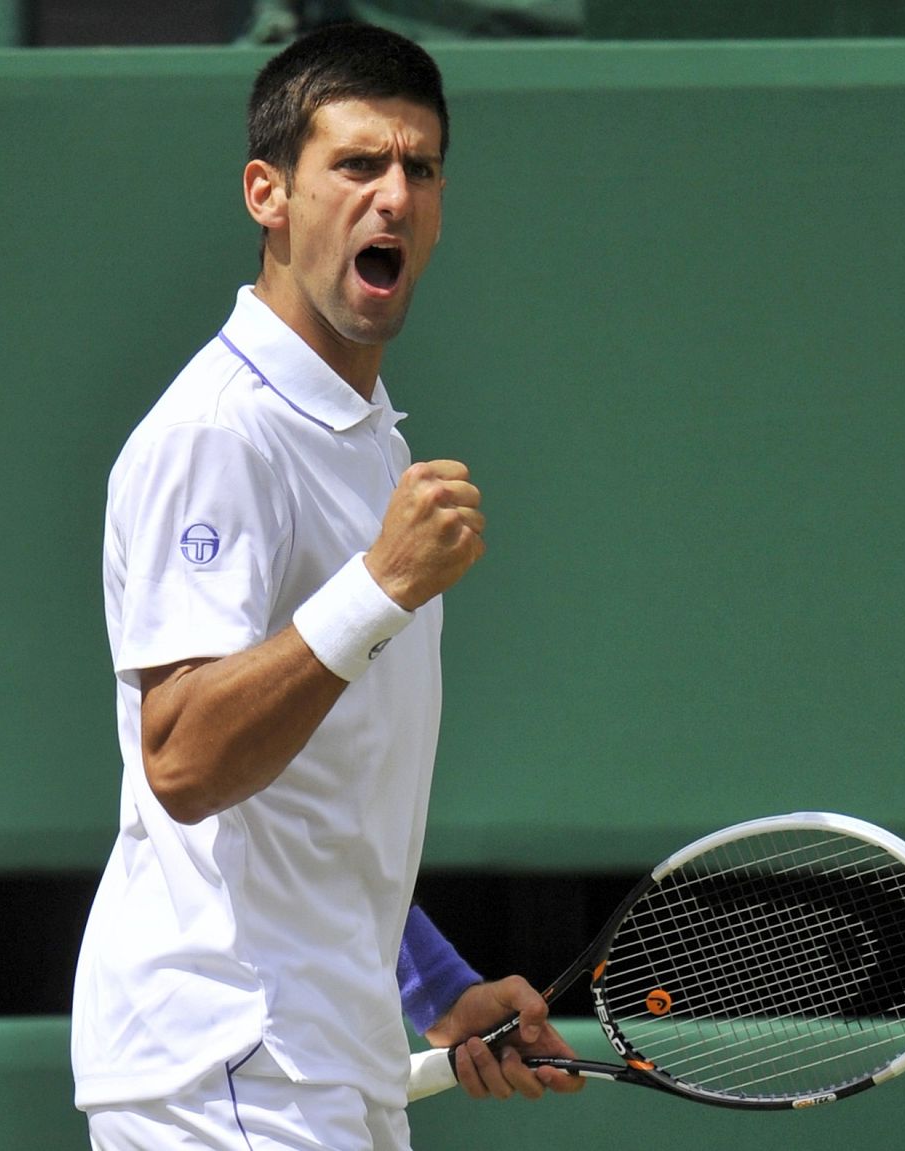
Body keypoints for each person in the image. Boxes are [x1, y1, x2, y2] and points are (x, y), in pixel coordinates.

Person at [70, 22, 581, 1150]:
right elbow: (184, 760)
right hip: (230, 1061)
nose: (392, 197)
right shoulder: (219, 433)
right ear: (270, 194)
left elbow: (313, 804)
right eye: (356, 165)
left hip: (322, 1062)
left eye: (420, 168)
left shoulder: (368, 440)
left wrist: (435, 983)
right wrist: (379, 585)